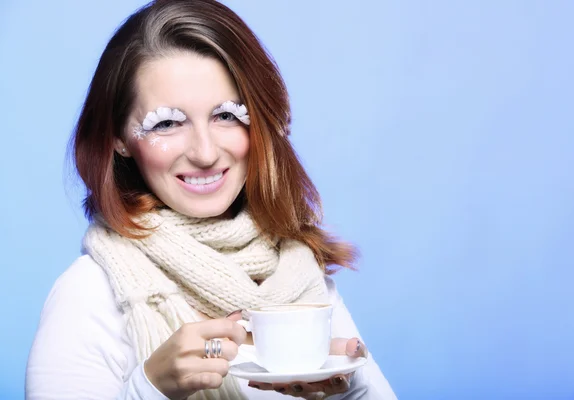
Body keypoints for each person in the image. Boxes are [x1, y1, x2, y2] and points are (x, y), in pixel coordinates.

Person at [25, 1, 397, 399]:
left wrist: (346, 386)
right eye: (166, 123)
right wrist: (151, 388)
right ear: (118, 138)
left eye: (226, 116)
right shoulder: (90, 295)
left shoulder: (298, 275)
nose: (204, 152)